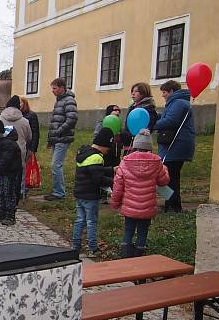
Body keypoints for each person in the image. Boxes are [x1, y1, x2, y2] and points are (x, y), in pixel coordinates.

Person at [111, 130, 170, 257]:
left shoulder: (125, 162)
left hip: (129, 207)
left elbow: (118, 185)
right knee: (143, 232)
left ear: (134, 146)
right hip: (147, 207)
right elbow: (163, 181)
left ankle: (126, 257)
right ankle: (139, 258)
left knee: (128, 231)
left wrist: (115, 203)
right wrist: (165, 169)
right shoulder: (157, 163)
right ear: (149, 147)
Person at [72, 127, 115, 256]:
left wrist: (112, 170)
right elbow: (98, 178)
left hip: (80, 194)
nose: (108, 151)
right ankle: (92, 248)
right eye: (108, 148)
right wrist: (114, 181)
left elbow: (94, 170)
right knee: (91, 221)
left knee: (80, 220)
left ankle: (75, 245)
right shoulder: (97, 157)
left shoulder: (85, 153)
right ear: (103, 145)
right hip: (90, 196)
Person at [153, 80, 194, 213]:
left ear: (171, 91)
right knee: (171, 176)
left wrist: (152, 125)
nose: (163, 95)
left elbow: (171, 120)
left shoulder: (178, 103)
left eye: (164, 92)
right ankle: (171, 204)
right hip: (175, 145)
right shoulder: (178, 103)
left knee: (170, 177)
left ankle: (173, 206)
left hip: (176, 145)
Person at [45, 78, 77, 200]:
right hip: (56, 138)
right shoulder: (59, 101)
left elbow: (72, 119)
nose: (52, 91)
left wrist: (58, 132)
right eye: (52, 88)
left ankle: (59, 193)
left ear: (62, 87)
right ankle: (57, 191)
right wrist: (50, 138)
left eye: (55, 88)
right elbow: (55, 121)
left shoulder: (69, 100)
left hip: (63, 138)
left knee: (56, 165)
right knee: (56, 165)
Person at [0, 95, 33, 200]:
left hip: (0, 154)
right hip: (18, 153)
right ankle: (15, 199)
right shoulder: (25, 121)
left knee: (0, 178)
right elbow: (29, 137)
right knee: (16, 178)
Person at [0, 119, 23, 225]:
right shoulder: (0, 141)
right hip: (3, 171)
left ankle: (10, 216)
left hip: (10, 172)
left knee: (8, 193)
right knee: (0, 192)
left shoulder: (9, 144)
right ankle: (1, 213)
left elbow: (6, 161)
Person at [124, 82, 160, 155]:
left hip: (141, 142)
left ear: (144, 93)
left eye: (136, 91)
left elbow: (150, 124)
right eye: (132, 91)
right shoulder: (132, 107)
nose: (133, 94)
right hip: (130, 140)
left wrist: (145, 131)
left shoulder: (148, 107)